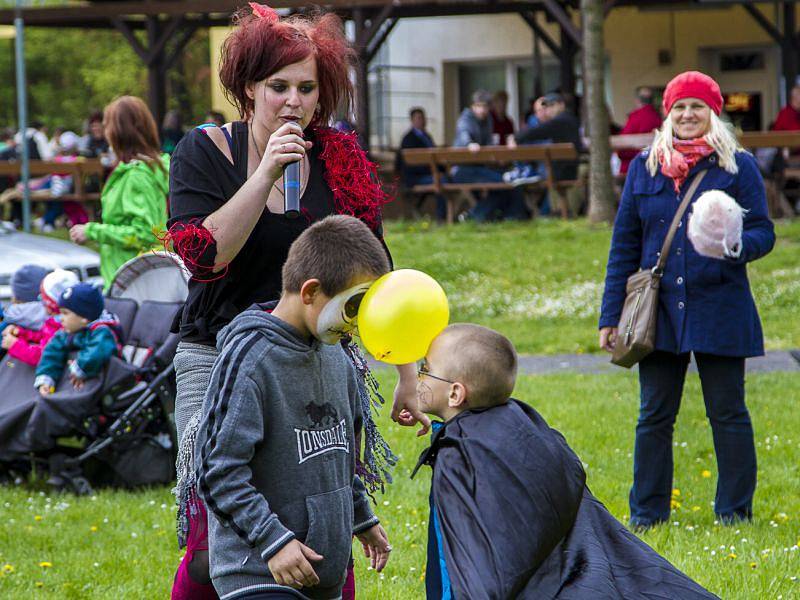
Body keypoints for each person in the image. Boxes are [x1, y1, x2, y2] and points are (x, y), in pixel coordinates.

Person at [164, 5, 424, 599]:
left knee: (322, 515)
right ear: (248, 88)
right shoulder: (205, 153)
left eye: (306, 88)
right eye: (278, 86)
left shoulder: (340, 157)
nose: (293, 101)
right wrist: (265, 177)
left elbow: (374, 274)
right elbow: (204, 258)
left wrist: (407, 374)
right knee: (212, 542)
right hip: (222, 357)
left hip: (318, 353)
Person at [412, 323, 717, 599]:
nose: (419, 375)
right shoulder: (522, 425)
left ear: (455, 393)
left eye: (425, 368)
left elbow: (469, 567)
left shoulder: (461, 457)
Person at [599, 71, 775, 529]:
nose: (688, 115)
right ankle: (648, 515)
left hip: (721, 306)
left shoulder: (738, 166)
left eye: (697, 106)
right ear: (667, 114)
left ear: (713, 113)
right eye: (679, 107)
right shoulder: (645, 167)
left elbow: (764, 232)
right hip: (658, 313)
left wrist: (736, 244)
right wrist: (610, 315)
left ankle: (735, 512)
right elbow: (624, 246)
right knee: (653, 415)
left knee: (728, 413)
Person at [195, 215, 391, 600]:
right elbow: (216, 470)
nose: (356, 324)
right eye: (352, 308)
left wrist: (361, 516)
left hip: (320, 573)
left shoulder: (339, 357)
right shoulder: (250, 358)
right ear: (310, 291)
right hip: (259, 572)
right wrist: (274, 541)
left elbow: (339, 456)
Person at [69, 96, 170, 290]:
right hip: (136, 279)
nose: (105, 133)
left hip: (133, 285)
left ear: (120, 131)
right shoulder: (148, 169)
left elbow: (146, 233)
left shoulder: (137, 176)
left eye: (107, 126)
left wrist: (92, 231)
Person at [451, 90, 528, 221]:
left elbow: (490, 143)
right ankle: (506, 216)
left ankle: (481, 215)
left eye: (485, 106)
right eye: (479, 106)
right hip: (464, 170)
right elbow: (464, 133)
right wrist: (470, 144)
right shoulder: (466, 118)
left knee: (507, 183)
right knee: (506, 183)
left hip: (481, 168)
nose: (482, 110)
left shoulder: (488, 120)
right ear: (473, 106)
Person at [33, 283, 120, 397]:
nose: (61, 318)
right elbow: (52, 351)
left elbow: (97, 352)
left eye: (65, 313)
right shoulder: (69, 331)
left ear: (84, 317)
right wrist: (46, 378)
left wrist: (80, 368)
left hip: (106, 383)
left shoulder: (102, 331)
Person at [3, 269, 76, 367]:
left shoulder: (62, 328)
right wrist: (21, 332)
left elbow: (43, 356)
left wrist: (15, 345)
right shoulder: (55, 321)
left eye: (42, 298)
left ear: (51, 305)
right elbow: (44, 334)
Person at [396, 107, 447, 221]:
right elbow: (410, 164)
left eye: (423, 118)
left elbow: (435, 158)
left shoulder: (427, 136)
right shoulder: (408, 139)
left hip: (429, 174)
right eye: (419, 118)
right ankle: (441, 217)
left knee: (449, 178)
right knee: (441, 182)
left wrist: (441, 171)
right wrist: (435, 173)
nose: (422, 120)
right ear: (412, 120)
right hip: (415, 178)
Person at [617, 86, 664, 175]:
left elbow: (623, 149)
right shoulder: (658, 118)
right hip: (654, 168)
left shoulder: (635, 117)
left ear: (637, 100)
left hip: (632, 168)